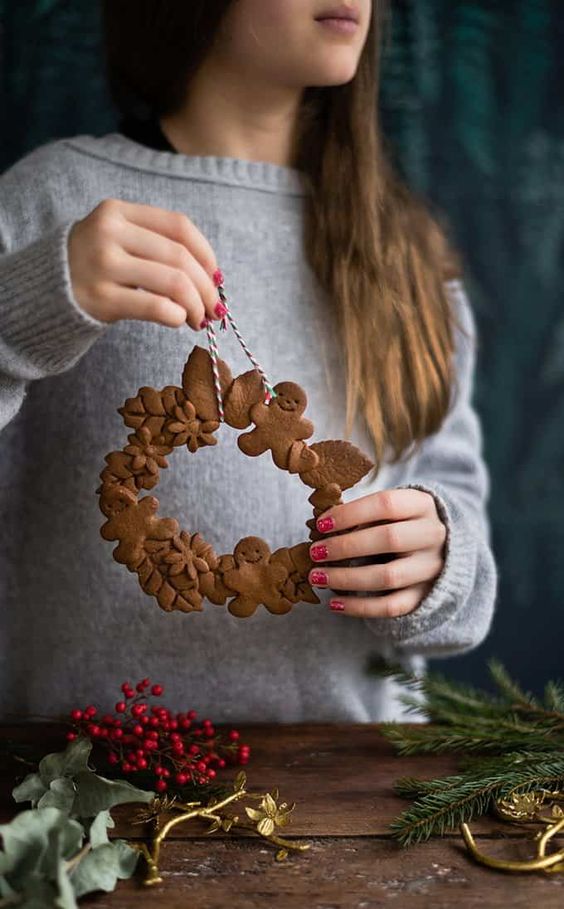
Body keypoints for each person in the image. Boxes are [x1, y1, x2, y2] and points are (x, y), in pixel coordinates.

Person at [0, 0, 497, 723]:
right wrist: (24, 311)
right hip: (90, 802)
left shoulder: (404, 250)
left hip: (355, 800)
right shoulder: (53, 201)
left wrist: (436, 562)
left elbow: (463, 551)